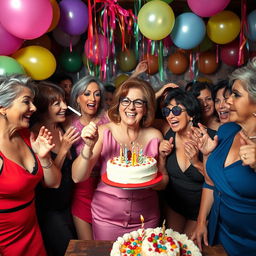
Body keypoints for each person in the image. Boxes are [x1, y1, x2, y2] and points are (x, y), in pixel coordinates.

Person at [72, 77, 169, 240]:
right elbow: (77, 176)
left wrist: (146, 178)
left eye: (138, 102)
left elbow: (163, 181)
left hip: (147, 219)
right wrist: (88, 146)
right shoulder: (103, 132)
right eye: (125, 101)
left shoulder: (155, 136)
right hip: (107, 219)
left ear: (146, 108)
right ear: (118, 105)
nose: (131, 107)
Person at [191, 58, 256, 255]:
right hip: (217, 233)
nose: (227, 101)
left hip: (249, 243)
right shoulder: (227, 131)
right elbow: (212, 182)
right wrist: (202, 222)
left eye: (235, 95)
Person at [0, 74, 61, 256]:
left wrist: (44, 158)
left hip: (32, 231)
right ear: (3, 107)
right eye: (26, 102)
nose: (33, 108)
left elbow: (54, 183)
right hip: (5, 241)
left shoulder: (27, 136)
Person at [31, 81, 80, 256]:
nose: (65, 106)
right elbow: (47, 181)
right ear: (43, 107)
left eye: (63, 101)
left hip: (69, 203)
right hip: (50, 211)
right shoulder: (35, 136)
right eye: (56, 103)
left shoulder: (61, 126)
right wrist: (64, 149)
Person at [159, 88, 215, 238]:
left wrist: (196, 162)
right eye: (167, 112)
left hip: (200, 210)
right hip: (174, 206)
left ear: (190, 114)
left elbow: (218, 182)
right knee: (171, 245)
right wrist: (162, 157)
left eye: (176, 110)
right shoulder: (168, 135)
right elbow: (162, 174)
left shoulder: (209, 139)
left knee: (188, 249)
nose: (170, 116)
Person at [69, 76, 109, 240]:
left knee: (108, 244)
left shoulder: (109, 119)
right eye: (87, 93)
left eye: (97, 94)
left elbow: (133, 108)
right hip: (82, 191)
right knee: (87, 246)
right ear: (77, 98)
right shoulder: (68, 123)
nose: (93, 98)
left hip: (107, 189)